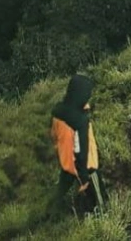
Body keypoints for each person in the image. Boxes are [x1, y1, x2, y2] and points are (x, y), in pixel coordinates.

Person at [50, 74, 106, 217]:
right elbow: (81, 150)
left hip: (66, 164)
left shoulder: (58, 112)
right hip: (87, 167)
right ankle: (101, 221)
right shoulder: (80, 122)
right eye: (87, 94)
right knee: (100, 202)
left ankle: (49, 216)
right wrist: (84, 178)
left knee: (58, 196)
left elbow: (54, 137)